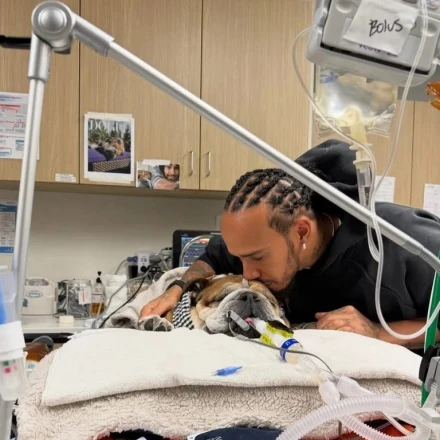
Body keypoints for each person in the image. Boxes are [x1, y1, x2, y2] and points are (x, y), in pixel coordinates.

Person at [140, 140, 440, 350]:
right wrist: (175, 289)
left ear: (302, 232)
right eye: (240, 258)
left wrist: (378, 333)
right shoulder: (260, 241)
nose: (248, 273)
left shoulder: (408, 242)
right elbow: (213, 256)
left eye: (257, 257)